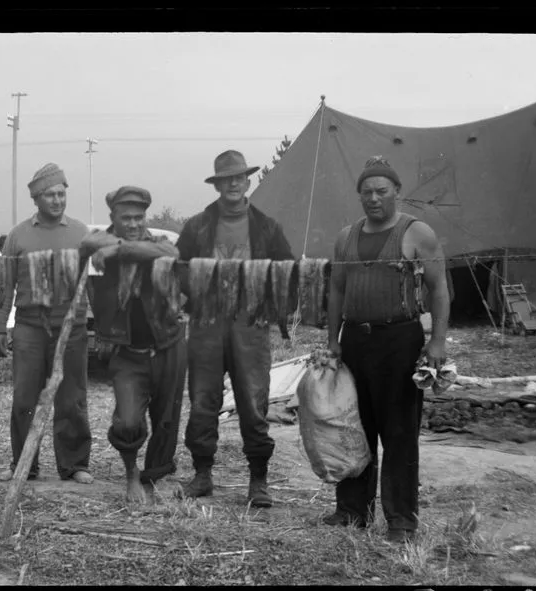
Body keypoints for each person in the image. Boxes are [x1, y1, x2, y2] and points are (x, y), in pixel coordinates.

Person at [324, 156, 449, 544]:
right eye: (367, 192)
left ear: (396, 191)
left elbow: (440, 289)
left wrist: (438, 341)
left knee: (398, 432)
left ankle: (401, 521)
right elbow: (337, 290)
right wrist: (332, 341)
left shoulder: (417, 233)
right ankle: (352, 511)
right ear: (359, 195)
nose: (374, 198)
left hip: (400, 339)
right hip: (355, 341)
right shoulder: (346, 236)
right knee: (353, 429)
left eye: (381, 191)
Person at [176, 150, 295, 508]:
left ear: (247, 181)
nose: (232, 184)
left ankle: (258, 480)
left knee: (254, 402)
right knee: (202, 402)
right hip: (206, 325)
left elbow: (287, 273)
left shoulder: (267, 227)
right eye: (225, 179)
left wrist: (274, 308)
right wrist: (198, 289)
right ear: (217, 184)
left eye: (238, 178)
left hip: (250, 325)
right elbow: (178, 270)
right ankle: (202, 474)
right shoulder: (196, 226)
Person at [80, 186, 186, 504]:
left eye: (139, 217)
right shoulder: (98, 243)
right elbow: (87, 244)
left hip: (167, 345)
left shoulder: (158, 244)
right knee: (127, 420)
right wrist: (115, 248)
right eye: (126, 217)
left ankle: (151, 477)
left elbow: (171, 256)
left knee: (166, 419)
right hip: (125, 352)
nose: (134, 223)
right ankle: (130, 473)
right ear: (112, 217)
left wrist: (121, 251)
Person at [0, 163, 93, 484]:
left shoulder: (80, 233)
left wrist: (97, 325)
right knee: (24, 398)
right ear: (36, 198)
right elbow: (3, 287)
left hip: (71, 327)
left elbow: (92, 284)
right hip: (29, 327)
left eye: (62, 193)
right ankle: (24, 464)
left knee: (72, 397)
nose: (57, 200)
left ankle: (74, 464)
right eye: (50, 195)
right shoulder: (18, 236)